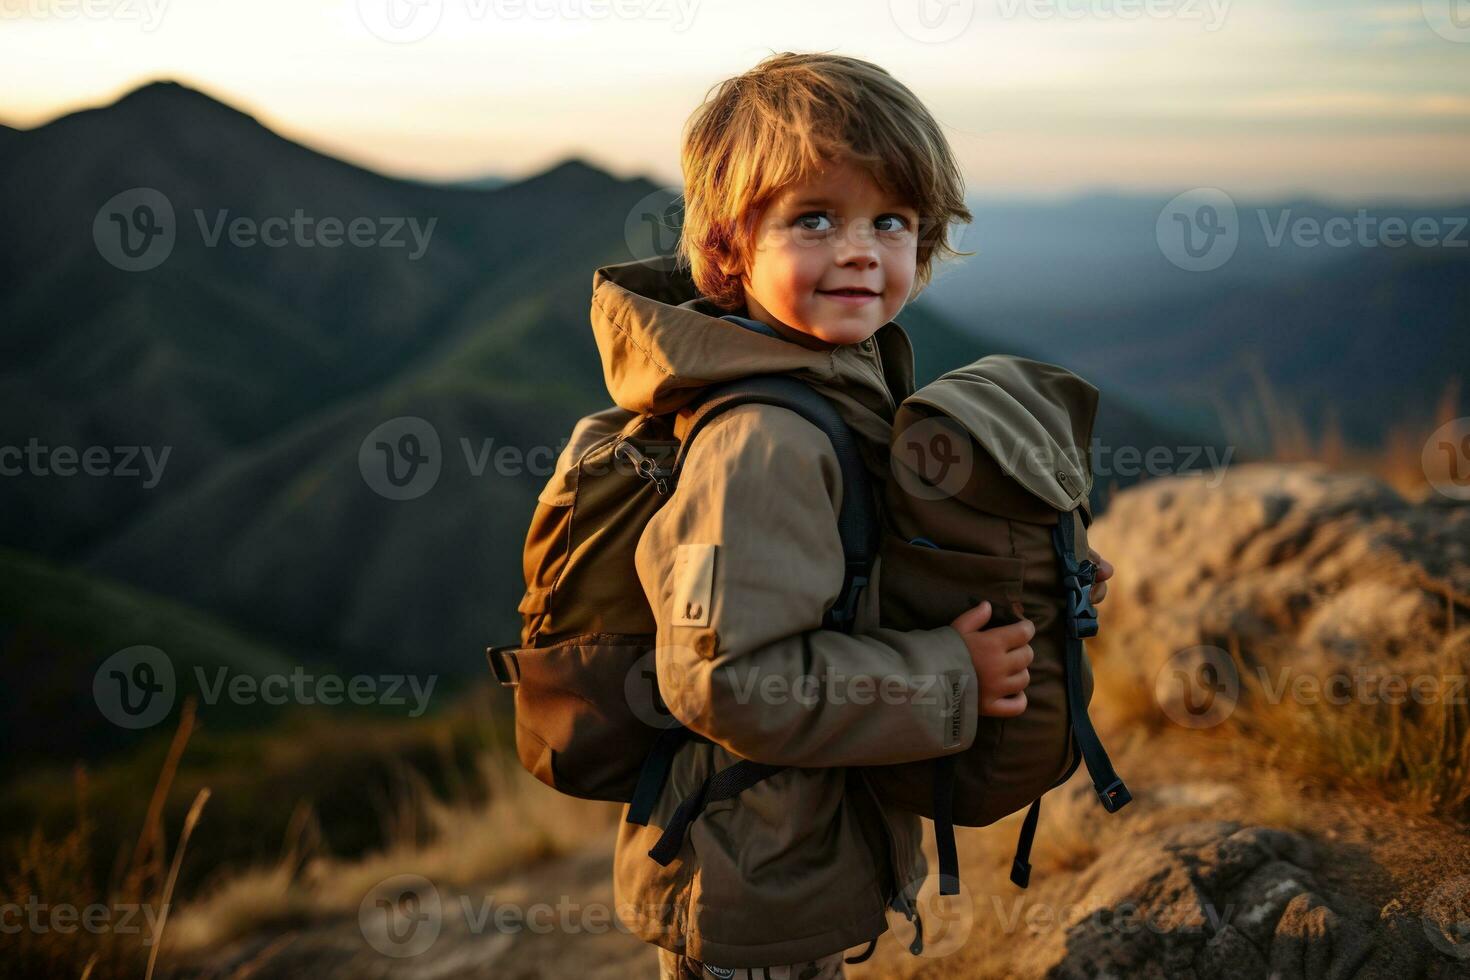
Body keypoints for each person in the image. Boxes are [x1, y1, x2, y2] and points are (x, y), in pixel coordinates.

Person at [590, 52, 1113, 979]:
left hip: (797, 848)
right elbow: (725, 682)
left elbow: (856, 581)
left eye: (892, 221)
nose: (862, 249)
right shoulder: (760, 441)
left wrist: (1030, 569)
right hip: (745, 879)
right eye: (815, 219)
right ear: (727, 250)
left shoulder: (839, 382)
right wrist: (945, 674)